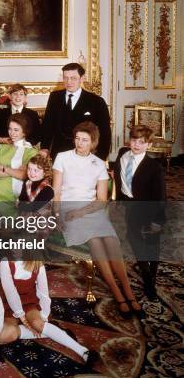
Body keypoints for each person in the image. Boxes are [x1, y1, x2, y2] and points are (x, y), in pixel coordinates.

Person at [53, 121, 142, 318]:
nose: (79, 143)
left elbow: (102, 200)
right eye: (77, 138)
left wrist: (83, 211)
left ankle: (128, 291)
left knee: (110, 240)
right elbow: (56, 191)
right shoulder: (62, 157)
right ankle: (117, 292)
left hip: (91, 208)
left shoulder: (99, 163)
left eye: (85, 140)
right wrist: (57, 215)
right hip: (69, 208)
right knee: (95, 241)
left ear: (93, 142)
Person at [0, 259, 98, 367]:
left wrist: (44, 317)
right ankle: (54, 331)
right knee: (4, 336)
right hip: (7, 303)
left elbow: (43, 293)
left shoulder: (37, 263)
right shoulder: (5, 262)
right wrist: (21, 316)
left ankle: (83, 351)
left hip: (29, 301)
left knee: (38, 323)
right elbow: (10, 292)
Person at [114, 125, 166, 300]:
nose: (136, 145)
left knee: (152, 242)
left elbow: (160, 196)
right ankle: (146, 275)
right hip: (130, 205)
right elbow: (118, 175)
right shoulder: (122, 154)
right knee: (134, 237)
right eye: (134, 140)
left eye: (141, 142)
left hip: (149, 206)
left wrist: (157, 220)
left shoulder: (154, 167)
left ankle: (152, 273)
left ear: (148, 145)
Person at [41, 63, 111, 160]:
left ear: (82, 78)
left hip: (86, 155)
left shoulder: (96, 101)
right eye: (65, 78)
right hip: (59, 154)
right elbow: (48, 125)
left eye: (73, 78)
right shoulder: (54, 97)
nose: (69, 82)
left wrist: (101, 157)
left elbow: (105, 132)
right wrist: (45, 148)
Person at [0, 113, 38, 217]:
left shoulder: (31, 151)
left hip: (14, 189)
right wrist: (15, 171)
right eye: (10, 129)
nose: (12, 133)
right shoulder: (3, 147)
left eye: (16, 130)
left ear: (24, 132)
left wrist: (3, 168)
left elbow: (24, 175)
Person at [18, 153, 55, 236]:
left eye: (36, 170)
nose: (31, 173)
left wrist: (22, 205)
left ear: (45, 172)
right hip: (27, 219)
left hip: (41, 223)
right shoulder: (26, 183)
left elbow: (34, 207)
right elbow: (21, 199)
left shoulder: (48, 190)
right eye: (29, 169)